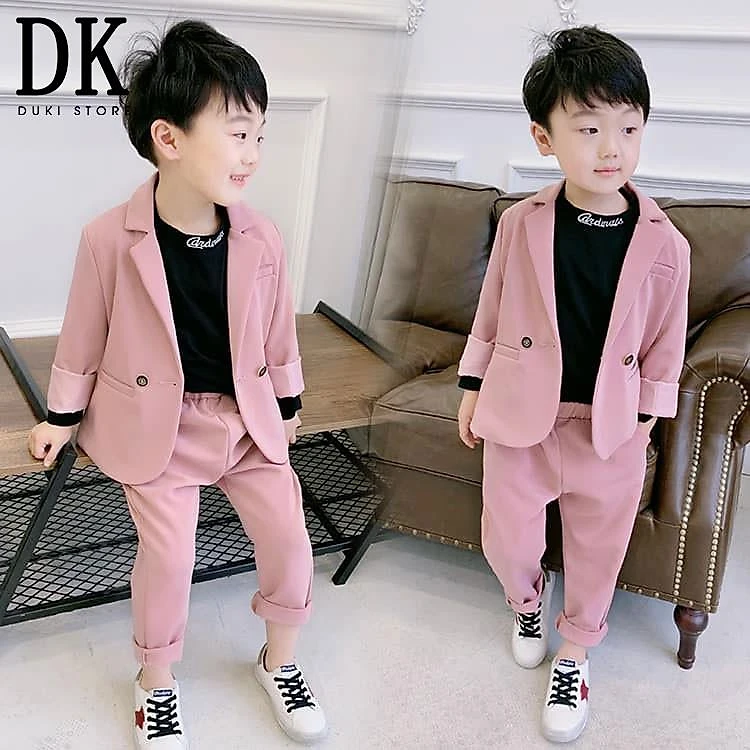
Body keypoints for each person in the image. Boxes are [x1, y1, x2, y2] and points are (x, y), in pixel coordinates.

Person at [28, 19, 326, 749]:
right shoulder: (109, 238)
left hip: (246, 422)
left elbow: (276, 335)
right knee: (168, 558)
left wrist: (288, 405)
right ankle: (155, 681)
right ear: (168, 138)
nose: (253, 153)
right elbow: (83, 336)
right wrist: (62, 417)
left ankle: (280, 662)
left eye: (260, 135)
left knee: (290, 536)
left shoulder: (261, 236)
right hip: (157, 430)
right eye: (237, 133)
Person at [457, 25, 690, 743]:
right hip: (522, 412)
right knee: (507, 538)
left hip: (609, 426)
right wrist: (472, 385)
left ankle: (577, 651)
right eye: (588, 129)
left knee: (598, 548)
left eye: (628, 127)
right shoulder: (521, 224)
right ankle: (527, 603)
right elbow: (492, 308)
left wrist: (647, 415)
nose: (611, 147)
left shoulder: (666, 243)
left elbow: (666, 342)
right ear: (544, 138)